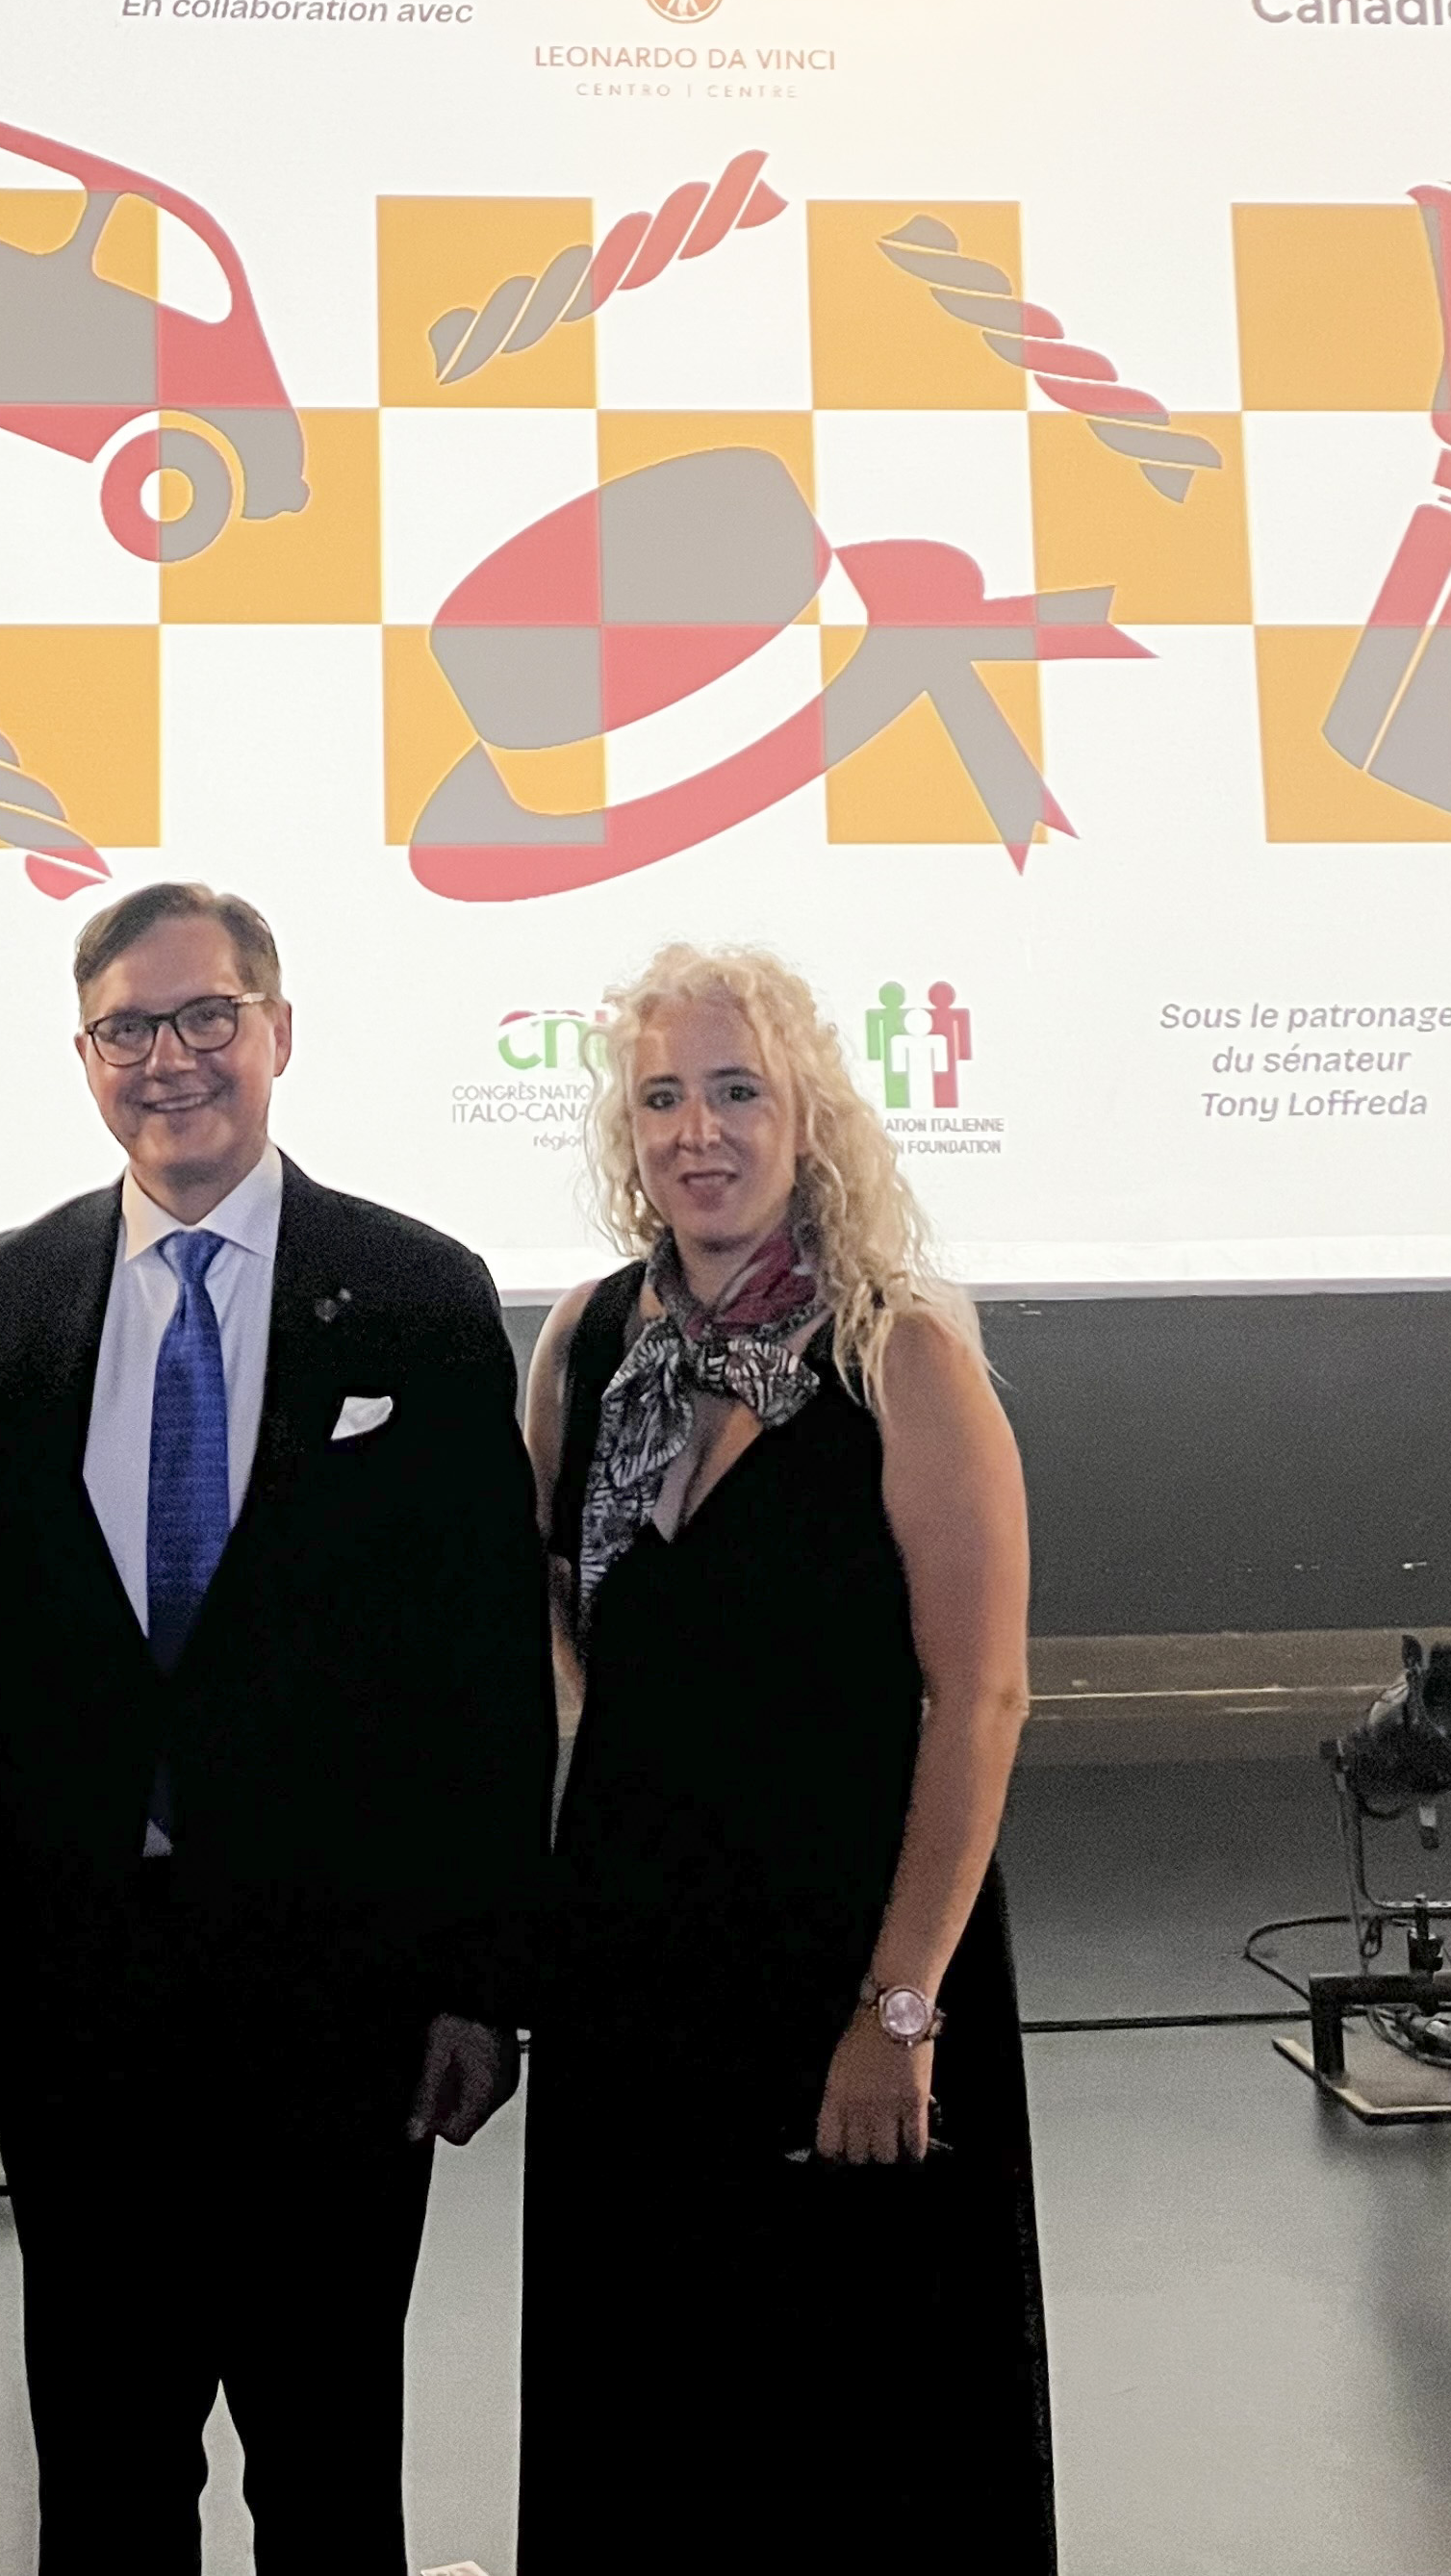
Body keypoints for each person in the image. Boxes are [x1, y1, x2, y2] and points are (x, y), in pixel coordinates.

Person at [0, 880, 557, 2575]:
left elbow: (488, 1668)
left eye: (208, 1016)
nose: (172, 1058)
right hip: (80, 2006)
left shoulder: (418, 1295)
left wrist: (482, 1982)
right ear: (84, 1058)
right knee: (105, 2482)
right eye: (128, 1029)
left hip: (340, 2007)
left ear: (279, 1031)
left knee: (330, 2479)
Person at [517, 943, 1056, 2573]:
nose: (700, 1131)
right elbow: (568, 1623)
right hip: (634, 1965)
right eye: (662, 1098)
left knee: (860, 2424)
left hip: (849, 1963)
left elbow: (983, 1701)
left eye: (737, 1091)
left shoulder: (903, 1358)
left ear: (808, 1117)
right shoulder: (586, 1342)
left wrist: (900, 2009)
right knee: (653, 2414)